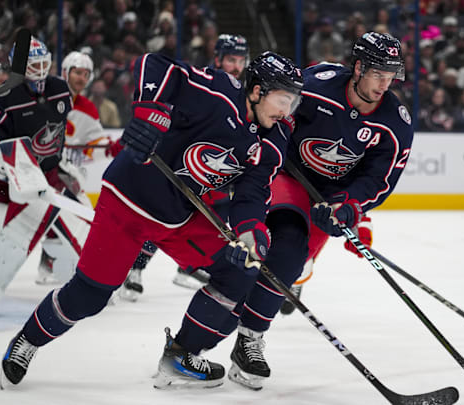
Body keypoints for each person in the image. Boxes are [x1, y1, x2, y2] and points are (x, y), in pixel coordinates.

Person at [0, 50, 303, 389]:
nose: (286, 111)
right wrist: (149, 115)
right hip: (127, 201)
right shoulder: (218, 92)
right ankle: (27, 341)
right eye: (283, 99)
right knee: (90, 295)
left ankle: (180, 355)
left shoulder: (274, 136)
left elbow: (252, 192)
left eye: (293, 102)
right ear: (258, 90)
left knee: (239, 271)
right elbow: (154, 64)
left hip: (178, 215)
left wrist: (252, 232)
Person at [164, 31, 413, 390]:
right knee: (282, 248)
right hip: (287, 175)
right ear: (358, 67)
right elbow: (276, 118)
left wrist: (350, 206)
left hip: (332, 198)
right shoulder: (316, 86)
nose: (384, 84)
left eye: (391, 76)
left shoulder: (395, 122)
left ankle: (241, 340)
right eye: (377, 74)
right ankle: (199, 348)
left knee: (286, 269)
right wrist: (271, 154)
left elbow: (380, 179)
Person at [118, 34, 251, 301]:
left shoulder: (243, 93)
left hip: (213, 170)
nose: (236, 66)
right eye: (230, 60)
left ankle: (187, 266)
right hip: (182, 162)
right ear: (217, 59)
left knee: (214, 218)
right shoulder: (203, 81)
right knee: (161, 216)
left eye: (240, 60)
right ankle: (134, 269)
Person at [0, 36, 74, 315]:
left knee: (61, 221)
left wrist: (59, 158)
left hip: (45, 176)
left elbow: (58, 127)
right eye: (34, 65)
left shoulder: (58, 88)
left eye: (45, 62)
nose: (42, 70)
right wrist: (2, 159)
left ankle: (69, 273)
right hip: (0, 182)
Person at [35, 50, 108, 285]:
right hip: (38, 168)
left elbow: (97, 145)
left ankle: (53, 264)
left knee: (76, 215)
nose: (81, 78)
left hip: (64, 172)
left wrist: (114, 147)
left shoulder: (87, 108)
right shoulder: (45, 97)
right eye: (77, 72)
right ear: (65, 72)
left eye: (86, 74)